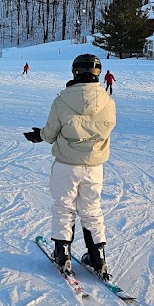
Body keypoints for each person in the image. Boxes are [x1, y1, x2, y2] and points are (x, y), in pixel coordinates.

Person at [24, 53, 117, 279]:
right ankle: (97, 257)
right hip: (94, 166)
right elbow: (106, 129)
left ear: (75, 72)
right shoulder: (108, 100)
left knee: (64, 206)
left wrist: (40, 135)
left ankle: (62, 253)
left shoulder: (63, 99)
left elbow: (50, 133)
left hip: (67, 164)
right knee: (92, 209)